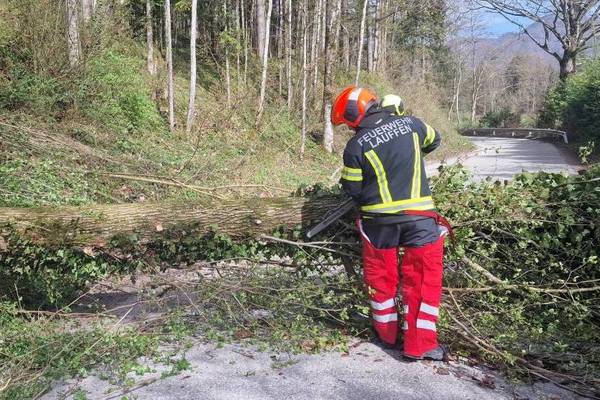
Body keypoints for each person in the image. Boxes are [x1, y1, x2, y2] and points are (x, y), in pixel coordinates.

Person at [332, 86, 452, 360]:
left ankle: (387, 336)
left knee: (381, 281)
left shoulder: (355, 145)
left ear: (355, 116)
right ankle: (420, 346)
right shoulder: (412, 124)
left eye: (348, 122)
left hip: (378, 224)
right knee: (423, 280)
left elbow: (352, 188)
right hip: (419, 219)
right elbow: (434, 140)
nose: (349, 128)